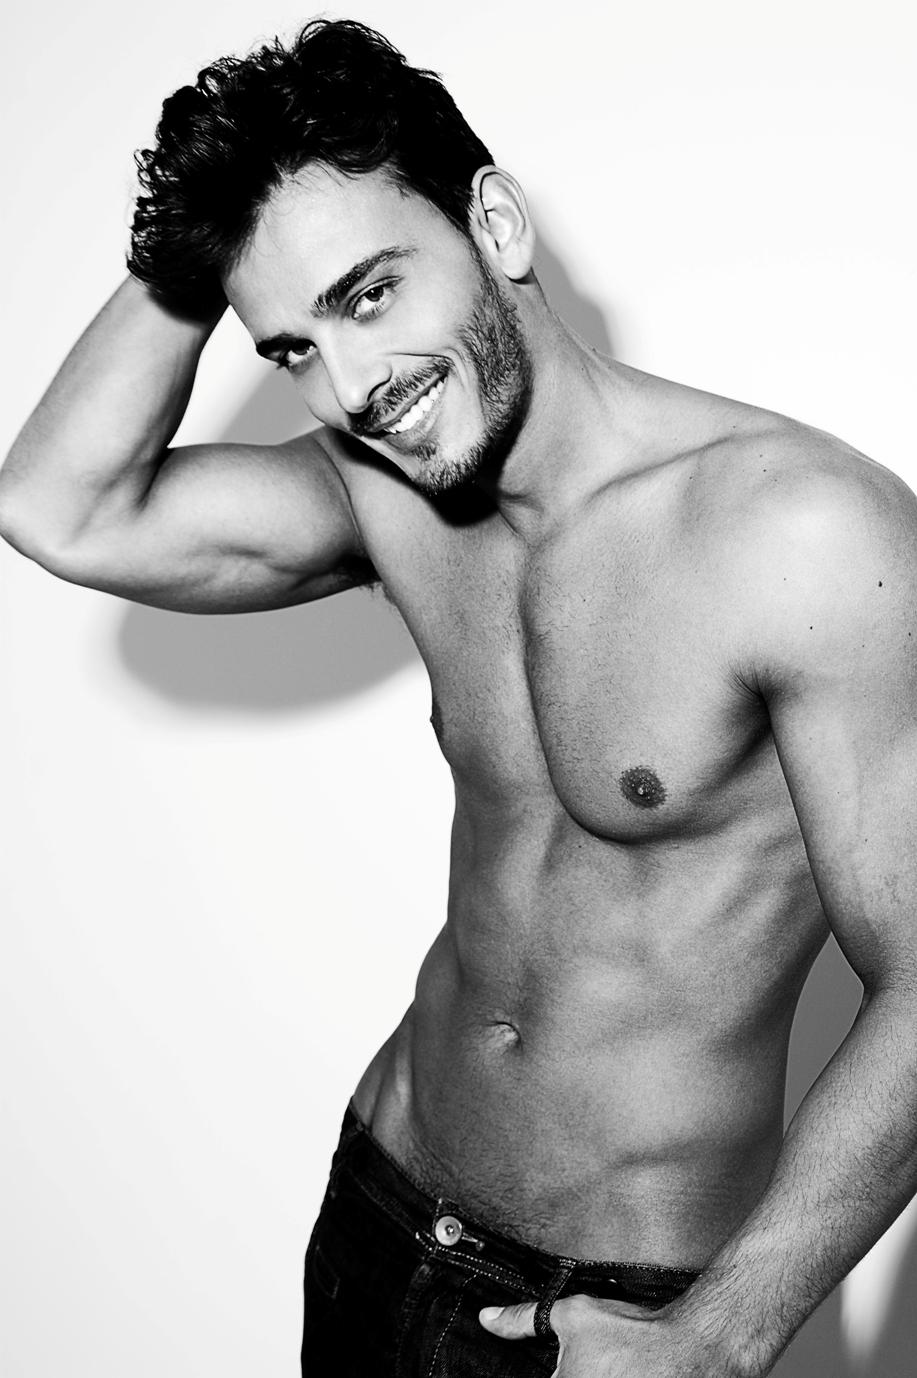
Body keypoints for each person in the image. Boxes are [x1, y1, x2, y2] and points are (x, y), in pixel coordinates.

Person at [1, 16, 916, 1377]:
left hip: (607, 1313)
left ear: (494, 222)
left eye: (369, 294)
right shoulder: (391, 499)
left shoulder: (800, 533)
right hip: (378, 1216)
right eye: (294, 347)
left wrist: (722, 1334)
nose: (352, 386)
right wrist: (198, 238)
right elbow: (60, 507)